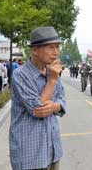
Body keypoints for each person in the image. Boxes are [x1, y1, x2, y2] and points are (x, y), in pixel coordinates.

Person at [10, 26, 66, 170]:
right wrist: (52, 80)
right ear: (35, 50)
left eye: (57, 47)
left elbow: (62, 99)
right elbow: (37, 109)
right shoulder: (20, 75)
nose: (56, 52)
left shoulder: (51, 70)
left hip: (52, 150)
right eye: (50, 47)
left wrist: (55, 106)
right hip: (30, 154)